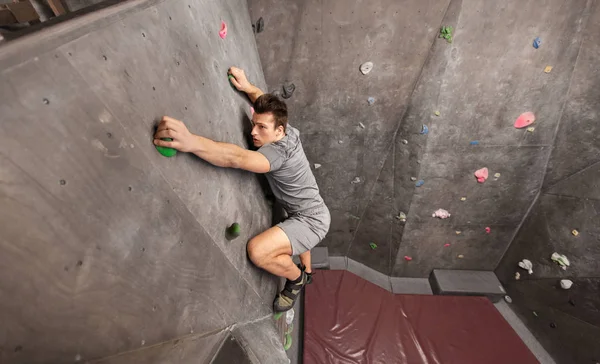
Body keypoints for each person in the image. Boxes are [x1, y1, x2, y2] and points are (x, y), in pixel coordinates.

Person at [153, 66, 330, 312]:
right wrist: (247, 86)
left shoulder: (274, 156)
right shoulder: (286, 129)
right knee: (296, 230)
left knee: (258, 251)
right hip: (303, 208)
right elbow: (261, 100)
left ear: (279, 131)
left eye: (262, 129)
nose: (253, 131)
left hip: (312, 219)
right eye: (254, 123)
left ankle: (297, 279)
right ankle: (308, 271)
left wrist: (191, 141)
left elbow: (234, 157)